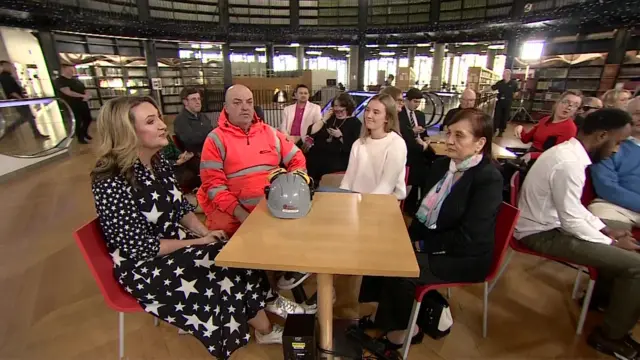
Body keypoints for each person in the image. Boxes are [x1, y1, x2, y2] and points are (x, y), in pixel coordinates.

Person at [90, 96, 303, 359]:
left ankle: (266, 303)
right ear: (127, 132)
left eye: (158, 117)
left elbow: (180, 208)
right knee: (222, 261)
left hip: (173, 243)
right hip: (144, 265)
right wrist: (198, 243)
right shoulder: (110, 180)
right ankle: (265, 327)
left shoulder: (157, 163)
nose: (162, 125)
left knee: (234, 247)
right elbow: (139, 247)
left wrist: (205, 233)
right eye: (151, 121)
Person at [358, 108, 503, 352]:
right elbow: (422, 214)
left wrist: (419, 246)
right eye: (448, 133)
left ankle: (404, 332)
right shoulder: (441, 166)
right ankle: (384, 316)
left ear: (480, 143)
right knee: (381, 251)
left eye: (459, 136)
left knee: (401, 268)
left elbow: (470, 237)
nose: (449, 141)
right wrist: (402, 239)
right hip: (435, 240)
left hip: (465, 256)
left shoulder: (488, 179)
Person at [514, 108, 640, 360]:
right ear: (603, 135)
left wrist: (606, 229)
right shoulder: (569, 162)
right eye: (618, 142)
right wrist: (612, 240)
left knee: (624, 254)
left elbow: (574, 209)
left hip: (551, 225)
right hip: (540, 232)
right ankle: (610, 337)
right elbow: (570, 219)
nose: (617, 150)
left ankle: (601, 301)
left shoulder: (571, 155)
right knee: (636, 266)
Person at [197, 85, 314, 298]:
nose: (245, 108)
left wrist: (295, 183)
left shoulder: (271, 133)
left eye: (249, 102)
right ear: (226, 108)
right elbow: (213, 187)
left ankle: (289, 283)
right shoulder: (214, 140)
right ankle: (266, 297)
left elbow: (297, 158)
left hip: (272, 209)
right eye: (237, 102)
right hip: (235, 214)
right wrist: (243, 214)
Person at [339, 94, 407, 200]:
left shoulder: (397, 144)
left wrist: (365, 203)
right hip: (356, 200)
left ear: (387, 118)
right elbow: (348, 180)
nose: (368, 115)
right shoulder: (358, 143)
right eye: (367, 110)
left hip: (382, 202)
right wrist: (342, 200)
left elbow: (387, 186)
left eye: (376, 112)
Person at [589, 98, 640, 231]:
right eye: (637, 113)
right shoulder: (610, 144)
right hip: (615, 206)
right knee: (601, 215)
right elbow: (607, 187)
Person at [305, 92, 361, 186]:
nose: (338, 111)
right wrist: (324, 119)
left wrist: (340, 136)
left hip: (338, 158)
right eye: (335, 107)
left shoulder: (355, 123)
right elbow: (312, 131)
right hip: (318, 155)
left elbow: (352, 146)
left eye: (341, 109)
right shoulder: (330, 118)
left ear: (348, 108)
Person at [514, 91, 581, 161]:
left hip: (544, 162)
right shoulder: (545, 120)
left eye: (575, 105)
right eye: (566, 102)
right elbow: (526, 139)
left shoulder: (570, 128)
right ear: (558, 102)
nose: (569, 107)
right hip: (529, 156)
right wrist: (520, 128)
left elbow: (557, 155)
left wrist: (532, 155)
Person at [0, 60, 49, 139]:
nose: (10, 67)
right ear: (3, 66)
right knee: (27, 117)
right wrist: (20, 99)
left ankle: (36, 133)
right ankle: (9, 130)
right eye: (8, 66)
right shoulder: (5, 77)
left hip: (18, 100)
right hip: (17, 101)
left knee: (28, 117)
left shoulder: (8, 76)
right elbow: (11, 91)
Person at [55, 63, 95, 143]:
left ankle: (84, 133)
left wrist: (87, 95)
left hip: (82, 102)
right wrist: (82, 96)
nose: (72, 71)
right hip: (71, 104)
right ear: (64, 69)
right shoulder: (60, 80)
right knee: (78, 121)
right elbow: (68, 92)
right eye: (70, 69)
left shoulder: (76, 80)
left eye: (73, 69)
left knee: (88, 118)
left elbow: (84, 89)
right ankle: (80, 137)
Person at [173, 87, 215, 154]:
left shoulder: (203, 116)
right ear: (185, 102)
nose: (198, 102)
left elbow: (211, 132)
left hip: (209, 151)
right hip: (194, 157)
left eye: (199, 99)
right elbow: (191, 140)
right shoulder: (180, 120)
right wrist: (210, 135)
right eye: (193, 99)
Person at [491, 69, 519, 136]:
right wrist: (482, 91)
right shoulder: (500, 82)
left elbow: (516, 92)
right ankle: (494, 130)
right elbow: (492, 88)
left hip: (508, 102)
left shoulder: (514, 83)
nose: (503, 75)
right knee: (497, 116)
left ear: (508, 75)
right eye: (503, 74)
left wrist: (514, 96)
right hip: (500, 102)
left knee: (504, 117)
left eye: (504, 74)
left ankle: (501, 131)